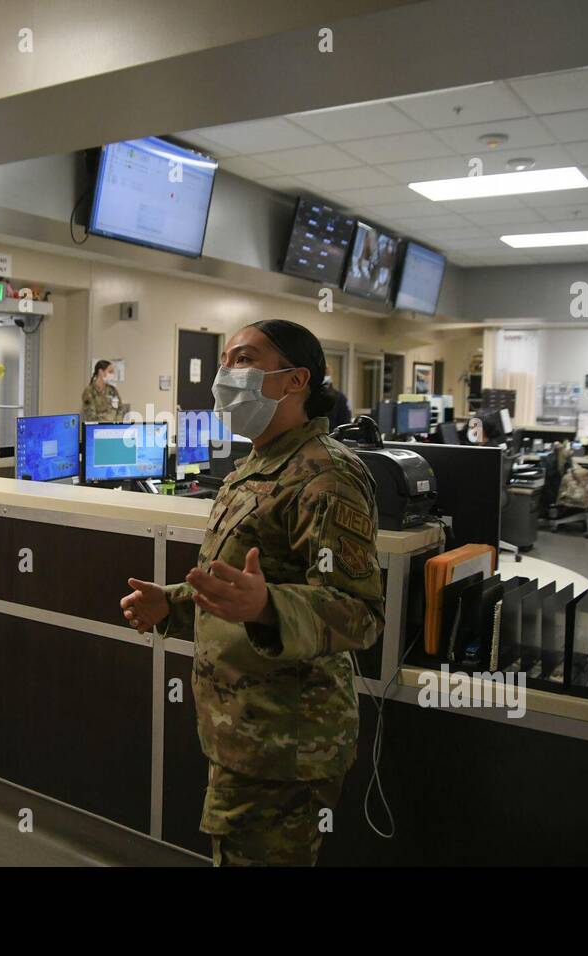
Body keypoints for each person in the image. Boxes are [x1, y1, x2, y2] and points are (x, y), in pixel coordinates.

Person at [119, 319, 384, 866]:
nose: (225, 374)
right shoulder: (258, 464)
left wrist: (268, 606)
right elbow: (238, 591)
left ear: (295, 380)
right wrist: (174, 603)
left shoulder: (326, 475)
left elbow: (359, 613)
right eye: (225, 361)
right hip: (241, 726)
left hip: (287, 740)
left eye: (244, 359)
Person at [323, 363, 352, 432]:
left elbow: (345, 424)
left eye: (326, 374)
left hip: (332, 438)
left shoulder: (340, 398)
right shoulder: (308, 396)